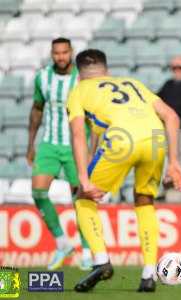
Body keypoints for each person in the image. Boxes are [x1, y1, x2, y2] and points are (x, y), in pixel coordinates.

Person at [66, 49, 181, 293]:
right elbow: (171, 116)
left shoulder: (78, 91)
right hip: (155, 139)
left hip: (120, 139)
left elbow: (79, 133)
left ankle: (101, 261)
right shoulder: (133, 83)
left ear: (79, 76)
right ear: (106, 71)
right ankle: (149, 273)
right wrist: (174, 162)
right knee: (145, 200)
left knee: (84, 199)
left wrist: (82, 179)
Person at [26, 37, 93, 271]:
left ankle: (86, 251)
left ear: (71, 52)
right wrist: (30, 144)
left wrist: (92, 148)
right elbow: (36, 109)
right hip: (49, 143)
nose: (61, 57)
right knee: (38, 191)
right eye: (57, 53)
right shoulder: (42, 77)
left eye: (65, 53)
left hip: (76, 146)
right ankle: (62, 242)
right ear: (52, 54)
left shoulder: (82, 79)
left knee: (81, 198)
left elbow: (93, 115)